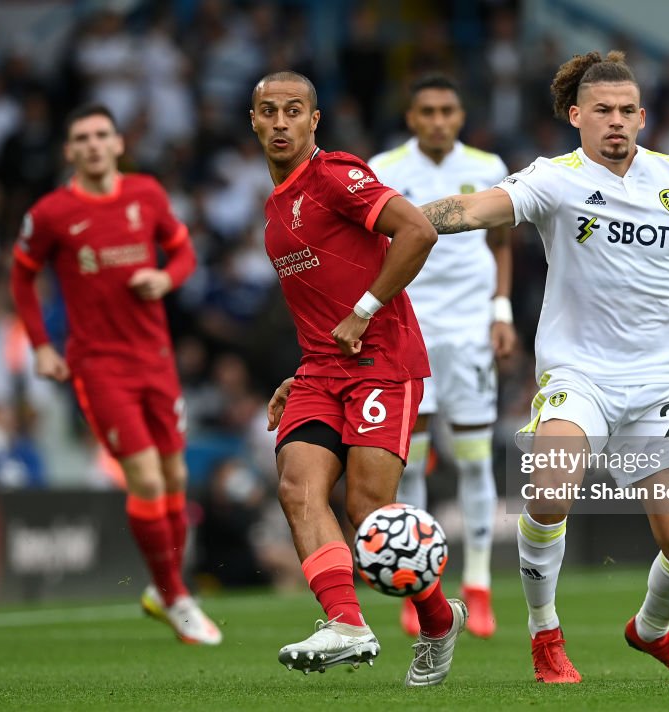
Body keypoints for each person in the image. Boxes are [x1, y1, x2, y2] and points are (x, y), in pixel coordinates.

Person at [419, 51, 669, 683]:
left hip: (657, 387)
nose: (616, 122)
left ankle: (652, 633)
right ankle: (546, 636)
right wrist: (394, 220)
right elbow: (475, 210)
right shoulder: (555, 179)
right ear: (576, 116)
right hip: (580, 378)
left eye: (627, 111)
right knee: (548, 491)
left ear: (643, 117)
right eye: (602, 111)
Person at [250, 71, 467, 686]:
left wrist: (364, 311)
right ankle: (346, 623)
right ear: (254, 120)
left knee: (368, 509)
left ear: (314, 120)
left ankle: (437, 621)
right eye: (270, 111)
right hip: (321, 372)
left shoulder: (336, 175)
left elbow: (418, 230)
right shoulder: (273, 209)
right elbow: (319, 301)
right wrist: (302, 370)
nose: (282, 122)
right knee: (297, 489)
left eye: (295, 111)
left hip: (382, 360)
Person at [9, 103, 221, 646]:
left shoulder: (146, 194)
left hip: (156, 358)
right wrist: (40, 346)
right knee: (147, 479)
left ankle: (165, 589)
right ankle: (175, 594)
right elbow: (22, 275)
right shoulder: (53, 212)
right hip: (98, 365)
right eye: (82, 138)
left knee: (174, 481)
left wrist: (165, 278)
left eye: (103, 135)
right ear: (70, 151)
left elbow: (182, 252)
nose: (94, 145)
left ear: (119, 143)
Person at [369, 74, 516, 638]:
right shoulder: (384, 167)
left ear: (460, 115)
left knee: (477, 459)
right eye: (426, 110)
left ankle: (477, 587)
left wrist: (501, 312)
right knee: (413, 463)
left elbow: (501, 241)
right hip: (410, 327)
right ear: (411, 117)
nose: (437, 120)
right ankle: (416, 586)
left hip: (471, 328)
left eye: (447, 110)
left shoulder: (488, 162)